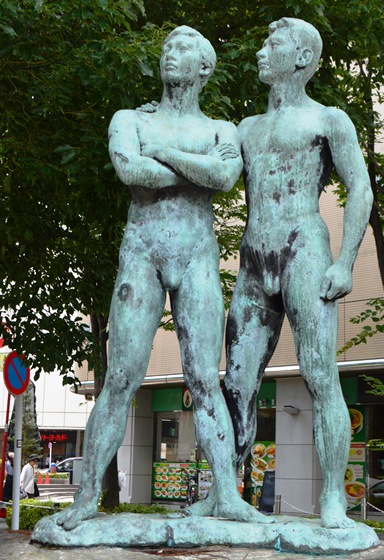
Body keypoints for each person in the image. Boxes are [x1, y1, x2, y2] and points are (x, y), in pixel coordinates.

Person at [53, 25, 269, 531]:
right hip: (142, 252)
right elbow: (131, 172)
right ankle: (86, 497)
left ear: (204, 66)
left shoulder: (222, 129)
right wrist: (195, 171)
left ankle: (226, 494)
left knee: (205, 378)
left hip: (197, 255)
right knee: (120, 377)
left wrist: (164, 154)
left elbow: (224, 178)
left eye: (183, 48)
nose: (171, 53)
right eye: (167, 46)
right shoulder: (129, 119)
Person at [221, 18, 373, 529]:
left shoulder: (328, 120)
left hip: (304, 250)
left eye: (273, 43)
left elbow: (361, 187)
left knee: (320, 375)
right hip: (253, 258)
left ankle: (333, 497)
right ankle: (225, 491)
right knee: (236, 381)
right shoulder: (245, 128)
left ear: (302, 57)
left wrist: (345, 262)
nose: (261, 51)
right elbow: (211, 166)